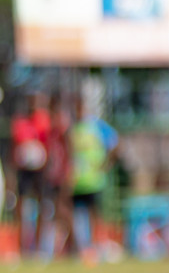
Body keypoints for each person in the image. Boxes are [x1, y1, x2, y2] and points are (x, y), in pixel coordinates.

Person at [66, 92, 119, 262]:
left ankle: (99, 246)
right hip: (77, 181)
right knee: (75, 216)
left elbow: (116, 144)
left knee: (95, 216)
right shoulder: (73, 129)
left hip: (95, 181)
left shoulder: (97, 127)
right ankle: (83, 249)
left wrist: (104, 166)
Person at [11, 92, 55, 259]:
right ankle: (22, 248)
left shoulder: (44, 122)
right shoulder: (20, 123)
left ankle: (38, 247)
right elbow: (15, 149)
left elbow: (49, 145)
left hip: (40, 170)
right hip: (24, 171)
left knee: (42, 206)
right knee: (20, 207)